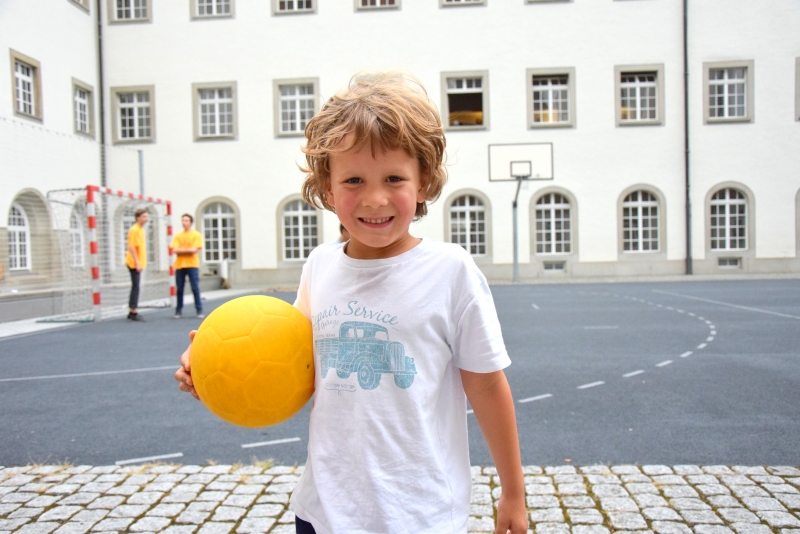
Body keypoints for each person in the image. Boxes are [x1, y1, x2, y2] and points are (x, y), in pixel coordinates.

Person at [175, 72, 528, 534]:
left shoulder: (451, 272)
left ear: (423, 182)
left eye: (394, 178)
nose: (375, 198)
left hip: (419, 516)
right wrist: (211, 360)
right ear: (328, 188)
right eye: (354, 179)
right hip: (323, 511)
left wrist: (513, 492)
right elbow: (292, 362)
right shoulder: (320, 266)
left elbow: (486, 386)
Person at [171, 214, 204, 319]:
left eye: (186, 220)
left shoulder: (196, 235)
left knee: (195, 287)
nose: (184, 222)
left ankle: (199, 309)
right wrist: (187, 250)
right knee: (180, 288)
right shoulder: (178, 236)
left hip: (192, 265)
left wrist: (182, 250)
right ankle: (178, 310)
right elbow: (174, 249)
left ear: (190, 222)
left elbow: (194, 250)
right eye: (183, 220)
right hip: (180, 265)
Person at [126, 208, 148, 322]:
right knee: (136, 286)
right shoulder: (134, 229)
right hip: (133, 263)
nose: (146, 218)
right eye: (144, 216)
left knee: (136, 286)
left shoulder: (141, 229)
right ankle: (133, 310)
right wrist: (137, 262)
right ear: (137, 217)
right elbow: (132, 247)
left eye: (146, 216)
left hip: (138, 262)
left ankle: (133, 309)